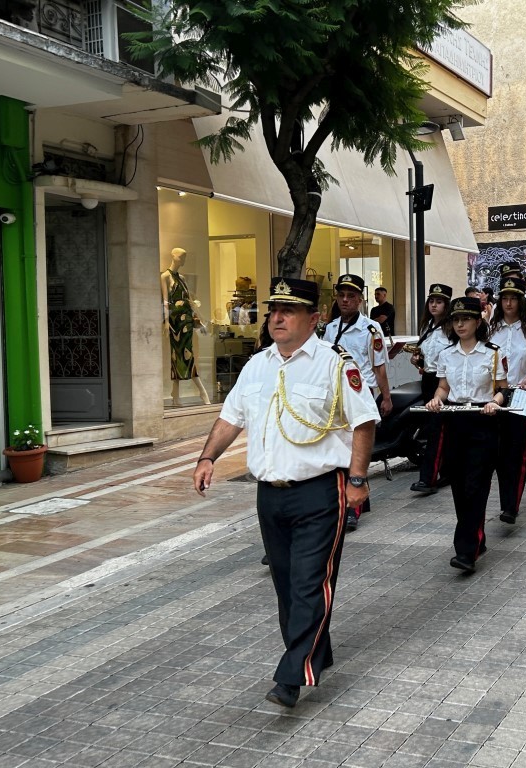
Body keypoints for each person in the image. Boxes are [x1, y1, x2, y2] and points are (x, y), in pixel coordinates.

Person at [191, 277, 379, 708]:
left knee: (310, 583)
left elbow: (364, 422)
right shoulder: (257, 365)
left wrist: (356, 480)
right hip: (270, 495)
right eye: (274, 309)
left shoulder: (336, 364)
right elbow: (230, 419)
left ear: (313, 319)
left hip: (320, 492)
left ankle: (293, 674)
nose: (276, 317)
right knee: (286, 585)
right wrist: (207, 459)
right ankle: (317, 650)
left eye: (288, 311)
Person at [427, 296, 508, 573]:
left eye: (465, 319)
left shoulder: (492, 353)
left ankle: (465, 552)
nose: (460, 324)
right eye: (455, 320)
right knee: (459, 488)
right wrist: (436, 400)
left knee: (476, 486)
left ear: (478, 321)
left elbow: (502, 388)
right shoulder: (446, 354)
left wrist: (495, 402)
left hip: (482, 422)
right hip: (454, 421)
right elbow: (443, 388)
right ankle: (477, 537)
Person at [322, 274, 392, 530]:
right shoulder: (329, 328)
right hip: (334, 397)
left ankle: (352, 508)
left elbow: (379, 368)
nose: (345, 300)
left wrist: (385, 397)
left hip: (360, 395)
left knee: (355, 449)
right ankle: (359, 496)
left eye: (351, 296)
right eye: (341, 295)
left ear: (361, 300)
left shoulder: (371, 329)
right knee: (341, 448)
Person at [489, 277, 526, 521]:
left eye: (513, 298)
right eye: (505, 298)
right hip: (495, 396)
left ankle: (511, 505)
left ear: (521, 301)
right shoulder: (490, 330)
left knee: (518, 451)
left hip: (524, 394)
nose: (509, 303)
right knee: (500, 453)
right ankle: (506, 501)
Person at [410, 284, 453, 494]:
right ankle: (446, 471)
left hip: (444, 382)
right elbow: (426, 357)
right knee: (433, 427)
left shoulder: (451, 327)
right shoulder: (426, 326)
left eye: (439, 301)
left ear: (447, 305)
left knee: (437, 430)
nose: (434, 305)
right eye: (432, 301)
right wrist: (417, 360)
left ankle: (428, 478)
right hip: (428, 379)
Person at [160, 247, 211, 407]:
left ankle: (175, 394)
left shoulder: (181, 277)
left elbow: (189, 299)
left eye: (185, 257)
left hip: (186, 320)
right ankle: (201, 391)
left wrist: (197, 316)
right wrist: (166, 321)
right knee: (181, 355)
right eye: (182, 257)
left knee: (183, 355)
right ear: (173, 256)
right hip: (175, 321)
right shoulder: (165, 277)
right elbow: (165, 301)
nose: (184, 260)